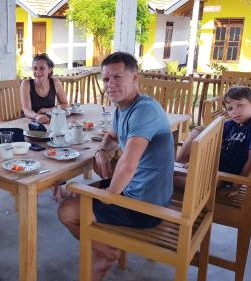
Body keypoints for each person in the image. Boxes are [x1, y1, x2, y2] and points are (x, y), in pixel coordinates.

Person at [58, 52, 174, 281]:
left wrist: (105, 196)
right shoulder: (125, 108)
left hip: (145, 206)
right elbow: (111, 136)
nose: (110, 85)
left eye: (117, 77)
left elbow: (128, 165)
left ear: (135, 78)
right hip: (142, 190)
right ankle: (103, 245)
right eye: (106, 79)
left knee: (66, 210)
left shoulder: (143, 111)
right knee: (69, 191)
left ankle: (106, 252)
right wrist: (101, 150)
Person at [176, 86, 251, 196]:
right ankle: (177, 166)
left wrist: (235, 187)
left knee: (174, 181)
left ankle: (174, 171)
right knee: (199, 130)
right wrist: (196, 162)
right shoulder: (229, 125)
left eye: (240, 105)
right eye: (230, 108)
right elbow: (212, 146)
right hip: (212, 169)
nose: (235, 112)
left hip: (224, 176)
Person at [20, 53, 70, 202]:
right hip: (30, 124)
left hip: (50, 122)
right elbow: (26, 110)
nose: (37, 72)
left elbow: (65, 104)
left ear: (50, 70)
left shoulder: (55, 82)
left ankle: (57, 188)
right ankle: (34, 187)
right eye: (35, 68)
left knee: (60, 142)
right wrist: (36, 116)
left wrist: (48, 110)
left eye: (42, 68)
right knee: (45, 147)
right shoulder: (26, 84)